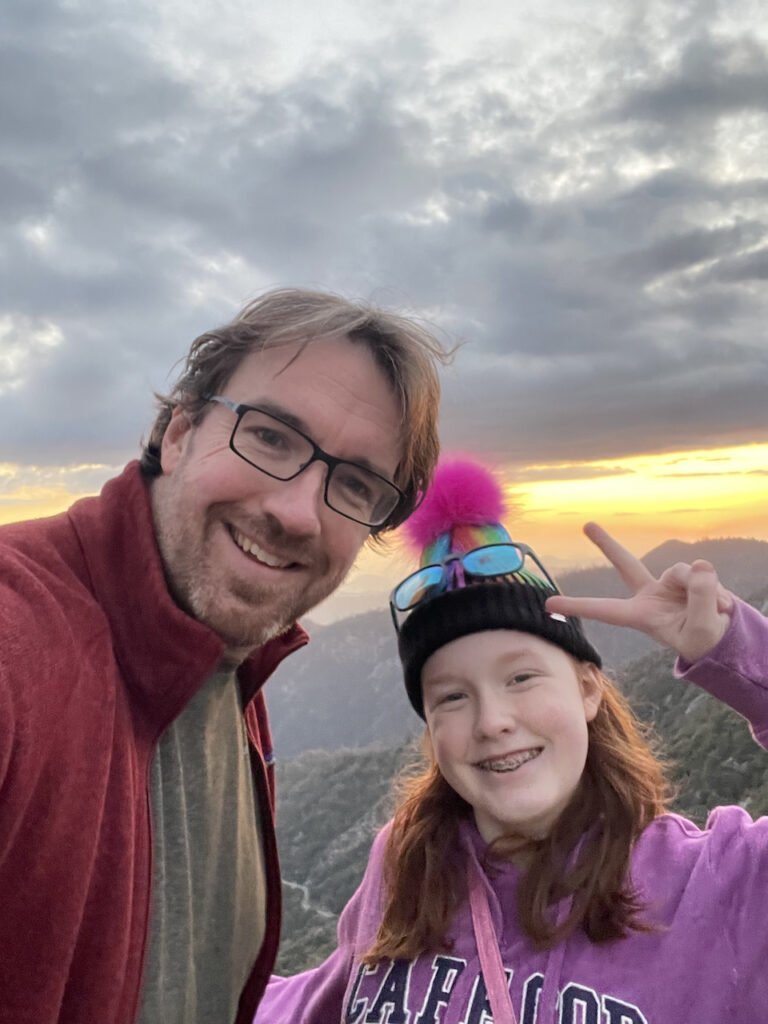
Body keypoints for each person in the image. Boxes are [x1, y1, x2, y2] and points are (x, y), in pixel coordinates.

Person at [0, 288, 450, 1024]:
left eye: (355, 484)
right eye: (271, 437)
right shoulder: (20, 639)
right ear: (179, 431)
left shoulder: (234, 666)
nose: (297, 511)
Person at [256, 457, 768, 1024]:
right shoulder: (407, 862)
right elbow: (314, 1003)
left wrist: (735, 653)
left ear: (588, 689)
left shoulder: (722, 887)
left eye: (521, 677)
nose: (492, 720)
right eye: (451, 696)